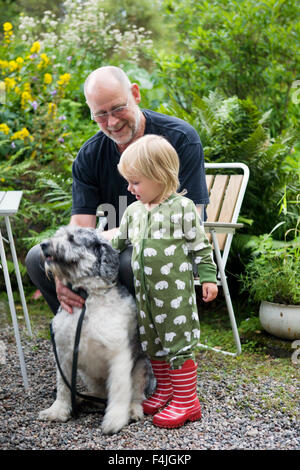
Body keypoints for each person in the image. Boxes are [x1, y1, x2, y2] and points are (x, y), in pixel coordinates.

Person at [25, 65, 209, 316]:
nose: (112, 122)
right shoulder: (90, 156)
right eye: (100, 115)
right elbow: (80, 224)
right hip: (112, 245)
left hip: (166, 247)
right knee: (39, 258)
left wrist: (105, 237)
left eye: (118, 108)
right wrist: (60, 266)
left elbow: (190, 217)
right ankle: (86, 337)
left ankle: (143, 345)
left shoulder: (179, 139)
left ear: (135, 94)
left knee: (129, 262)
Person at [110, 134, 218, 429]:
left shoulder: (181, 208)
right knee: (154, 342)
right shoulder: (133, 211)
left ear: (159, 176)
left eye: (135, 182)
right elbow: (118, 242)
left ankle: (188, 401)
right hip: (146, 297)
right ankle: (166, 391)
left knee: (177, 342)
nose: (129, 188)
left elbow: (200, 246)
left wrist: (208, 277)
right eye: (128, 182)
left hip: (175, 296)